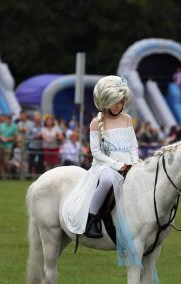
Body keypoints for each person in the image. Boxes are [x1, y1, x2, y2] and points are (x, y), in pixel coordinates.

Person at [62, 75, 139, 239]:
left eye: (121, 102)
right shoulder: (96, 123)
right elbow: (96, 152)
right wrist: (117, 165)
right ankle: (92, 219)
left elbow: (133, 146)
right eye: (115, 102)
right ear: (105, 101)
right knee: (106, 181)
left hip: (129, 163)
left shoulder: (127, 119)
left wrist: (135, 162)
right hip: (105, 165)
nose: (118, 106)